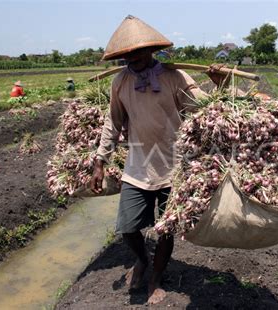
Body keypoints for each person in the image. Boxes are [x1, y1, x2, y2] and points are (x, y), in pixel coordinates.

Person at [90, 15, 227, 305]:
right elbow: (112, 123)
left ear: (151, 50)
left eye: (138, 52)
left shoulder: (175, 77)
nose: (132, 57)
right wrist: (100, 160)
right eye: (127, 53)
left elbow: (205, 111)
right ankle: (143, 259)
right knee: (127, 227)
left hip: (174, 167)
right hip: (138, 166)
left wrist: (220, 84)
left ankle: (155, 279)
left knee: (166, 228)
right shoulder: (121, 81)